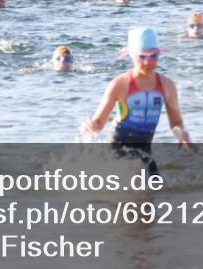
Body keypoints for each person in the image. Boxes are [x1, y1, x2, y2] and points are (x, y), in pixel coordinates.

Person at [81, 28, 195, 175]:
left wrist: (181, 133)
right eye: (142, 57)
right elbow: (99, 123)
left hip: (145, 152)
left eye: (153, 55)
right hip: (118, 149)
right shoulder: (120, 84)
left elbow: (176, 123)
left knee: (155, 187)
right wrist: (89, 125)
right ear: (132, 56)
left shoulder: (167, 86)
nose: (148, 62)